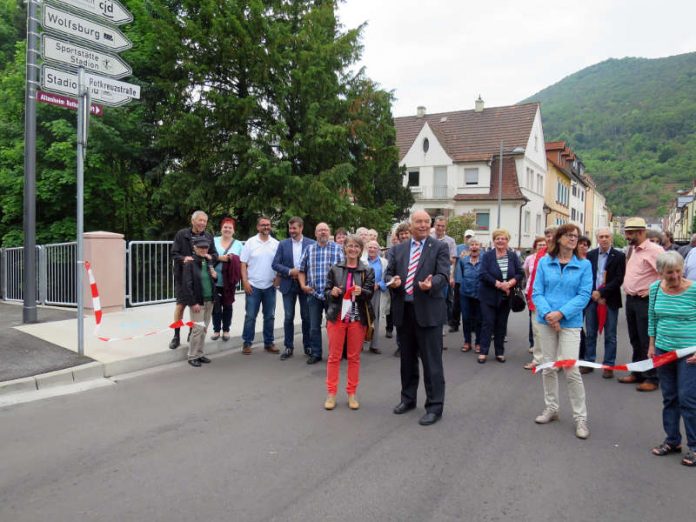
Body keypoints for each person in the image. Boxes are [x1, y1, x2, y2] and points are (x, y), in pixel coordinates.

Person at [386, 210, 450, 426]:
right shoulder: (398, 249)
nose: (423, 225)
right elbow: (388, 274)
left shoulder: (439, 247)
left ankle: (434, 406)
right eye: (418, 221)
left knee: (432, 363)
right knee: (407, 361)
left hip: (429, 312)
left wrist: (433, 284)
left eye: (426, 222)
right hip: (404, 312)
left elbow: (443, 274)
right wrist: (392, 280)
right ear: (410, 224)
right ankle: (408, 399)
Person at [532, 224, 593, 439]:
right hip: (546, 320)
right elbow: (537, 292)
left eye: (576, 236)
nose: (573, 239)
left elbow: (584, 295)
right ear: (558, 238)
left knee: (570, 368)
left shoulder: (584, 265)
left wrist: (561, 314)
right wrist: (550, 314)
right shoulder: (543, 263)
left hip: (570, 322)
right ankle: (552, 408)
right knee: (548, 366)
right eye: (569, 235)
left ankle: (580, 418)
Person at [648, 251, 696, 467]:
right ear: (660, 273)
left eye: (678, 272)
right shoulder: (655, 289)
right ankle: (672, 440)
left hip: (689, 353)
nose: (675, 277)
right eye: (669, 273)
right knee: (669, 397)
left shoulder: (693, 290)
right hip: (663, 350)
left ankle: (694, 446)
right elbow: (653, 318)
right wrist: (651, 345)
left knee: (687, 398)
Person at [323, 236, 375, 410]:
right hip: (337, 317)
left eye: (356, 247)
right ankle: (331, 394)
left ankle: (352, 393)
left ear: (361, 250)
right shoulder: (335, 269)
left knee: (354, 357)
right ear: (344, 248)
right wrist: (334, 292)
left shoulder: (367, 271)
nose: (352, 249)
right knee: (334, 357)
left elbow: (369, 294)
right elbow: (326, 292)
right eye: (349, 246)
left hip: (357, 318)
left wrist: (362, 291)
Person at [619, 217, 664, 391]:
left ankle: (652, 378)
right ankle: (638, 372)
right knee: (635, 339)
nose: (627, 236)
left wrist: (653, 290)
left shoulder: (654, 250)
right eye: (626, 232)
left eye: (630, 233)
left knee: (646, 340)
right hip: (631, 300)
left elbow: (666, 273)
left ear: (641, 232)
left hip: (644, 301)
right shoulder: (633, 250)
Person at [583, 228, 625, 379]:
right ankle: (589, 363)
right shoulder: (590, 255)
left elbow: (619, 279)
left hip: (610, 300)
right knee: (590, 333)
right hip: (592, 299)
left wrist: (602, 293)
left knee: (610, 335)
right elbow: (586, 277)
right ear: (597, 239)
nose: (604, 239)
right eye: (601, 236)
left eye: (607, 236)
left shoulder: (619, 256)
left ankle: (608, 365)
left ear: (611, 238)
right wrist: (594, 294)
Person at [299, 223, 344, 364]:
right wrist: (303, 285)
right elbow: (301, 270)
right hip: (314, 294)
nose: (323, 232)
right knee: (313, 326)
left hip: (333, 295)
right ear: (315, 233)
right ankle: (316, 353)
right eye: (320, 230)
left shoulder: (338, 249)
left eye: (325, 230)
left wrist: (340, 288)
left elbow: (345, 271)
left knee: (334, 326)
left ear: (329, 232)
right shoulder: (309, 249)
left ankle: (335, 353)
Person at [170, 210, 216, 350]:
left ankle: (192, 332)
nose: (202, 223)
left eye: (204, 221)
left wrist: (211, 258)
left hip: (201, 278)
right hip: (183, 277)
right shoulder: (182, 234)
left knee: (197, 308)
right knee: (181, 306)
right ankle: (176, 335)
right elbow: (174, 253)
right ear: (193, 221)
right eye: (200, 220)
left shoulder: (208, 236)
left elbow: (214, 254)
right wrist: (184, 259)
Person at [477, 229, 524, 363]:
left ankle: (499, 352)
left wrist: (510, 283)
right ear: (494, 240)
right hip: (488, 295)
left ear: (507, 241)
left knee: (501, 324)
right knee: (488, 323)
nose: (500, 241)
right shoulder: (487, 256)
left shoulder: (513, 256)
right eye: (497, 238)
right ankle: (483, 351)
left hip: (506, 295)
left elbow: (520, 272)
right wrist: (498, 284)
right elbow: (483, 274)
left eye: (503, 238)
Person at [271, 217, 315, 360]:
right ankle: (288, 346)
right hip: (288, 283)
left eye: (294, 228)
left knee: (306, 317)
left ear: (301, 228)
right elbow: (275, 264)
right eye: (290, 228)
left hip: (305, 285)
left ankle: (308, 346)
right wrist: (290, 271)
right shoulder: (283, 244)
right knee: (288, 317)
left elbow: (314, 264)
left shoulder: (311, 244)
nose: (292, 231)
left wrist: (302, 273)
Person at [240, 216, 280, 355]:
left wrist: (278, 278)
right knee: (250, 316)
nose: (266, 227)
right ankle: (247, 343)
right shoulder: (250, 242)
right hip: (253, 286)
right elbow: (243, 264)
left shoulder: (275, 243)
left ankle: (269, 343)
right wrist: (245, 282)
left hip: (270, 286)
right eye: (263, 225)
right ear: (258, 227)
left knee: (269, 316)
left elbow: (279, 264)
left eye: (268, 225)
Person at [179, 237, 217, 367]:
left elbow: (211, 280)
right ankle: (192, 356)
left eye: (205, 247)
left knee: (204, 329)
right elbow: (187, 285)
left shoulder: (208, 261)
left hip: (209, 300)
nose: (203, 249)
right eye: (200, 247)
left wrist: (214, 276)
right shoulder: (190, 263)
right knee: (197, 329)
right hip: (198, 302)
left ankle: (200, 354)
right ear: (194, 248)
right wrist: (193, 303)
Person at [211, 217, 243, 341]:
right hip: (215, 279)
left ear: (233, 230)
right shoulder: (213, 241)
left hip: (229, 281)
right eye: (225, 227)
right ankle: (216, 330)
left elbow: (242, 260)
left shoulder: (238, 244)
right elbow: (208, 255)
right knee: (216, 306)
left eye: (230, 227)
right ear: (221, 228)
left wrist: (232, 259)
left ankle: (226, 330)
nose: (227, 229)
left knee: (228, 305)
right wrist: (222, 258)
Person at [522, 236, 547, 369]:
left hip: (548, 298)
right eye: (540, 244)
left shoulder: (552, 256)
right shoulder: (530, 259)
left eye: (545, 244)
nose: (542, 246)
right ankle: (538, 359)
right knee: (537, 329)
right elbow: (527, 274)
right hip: (533, 294)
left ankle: (551, 359)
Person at [386, 222, 411, 353]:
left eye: (406, 233)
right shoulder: (393, 251)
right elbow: (388, 272)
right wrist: (392, 280)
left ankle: (414, 349)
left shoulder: (417, 250)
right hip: (399, 291)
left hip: (415, 293)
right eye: (401, 234)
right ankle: (401, 346)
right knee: (400, 322)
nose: (404, 236)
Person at [431, 216, 458, 333]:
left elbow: (453, 260)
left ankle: (439, 330)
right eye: (438, 225)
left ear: (445, 227)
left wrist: (451, 277)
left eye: (442, 226)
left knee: (442, 302)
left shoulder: (450, 241)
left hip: (444, 276)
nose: (440, 228)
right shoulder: (428, 238)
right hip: (429, 275)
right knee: (429, 301)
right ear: (434, 225)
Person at [457, 237, 482, 353]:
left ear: (480, 247)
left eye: (476, 244)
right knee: (466, 318)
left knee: (479, 319)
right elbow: (461, 275)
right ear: (469, 247)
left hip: (480, 294)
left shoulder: (484, 260)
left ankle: (478, 343)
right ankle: (467, 342)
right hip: (465, 293)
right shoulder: (463, 260)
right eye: (472, 244)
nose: (474, 246)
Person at [365, 240, 388, 354]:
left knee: (375, 318)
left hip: (376, 292)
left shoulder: (384, 262)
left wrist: (379, 285)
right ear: (366, 249)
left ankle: (374, 345)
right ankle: (359, 344)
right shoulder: (362, 261)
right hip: (363, 292)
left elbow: (387, 277)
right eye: (370, 247)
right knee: (361, 318)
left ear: (378, 250)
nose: (372, 249)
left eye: (375, 247)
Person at [451, 229, 476, 333]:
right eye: (467, 237)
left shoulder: (477, 248)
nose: (469, 239)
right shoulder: (459, 247)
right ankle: (455, 324)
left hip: (472, 281)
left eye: (470, 237)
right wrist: (451, 276)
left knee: (473, 303)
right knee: (457, 303)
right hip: (459, 279)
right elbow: (454, 263)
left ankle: (473, 326)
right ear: (464, 238)